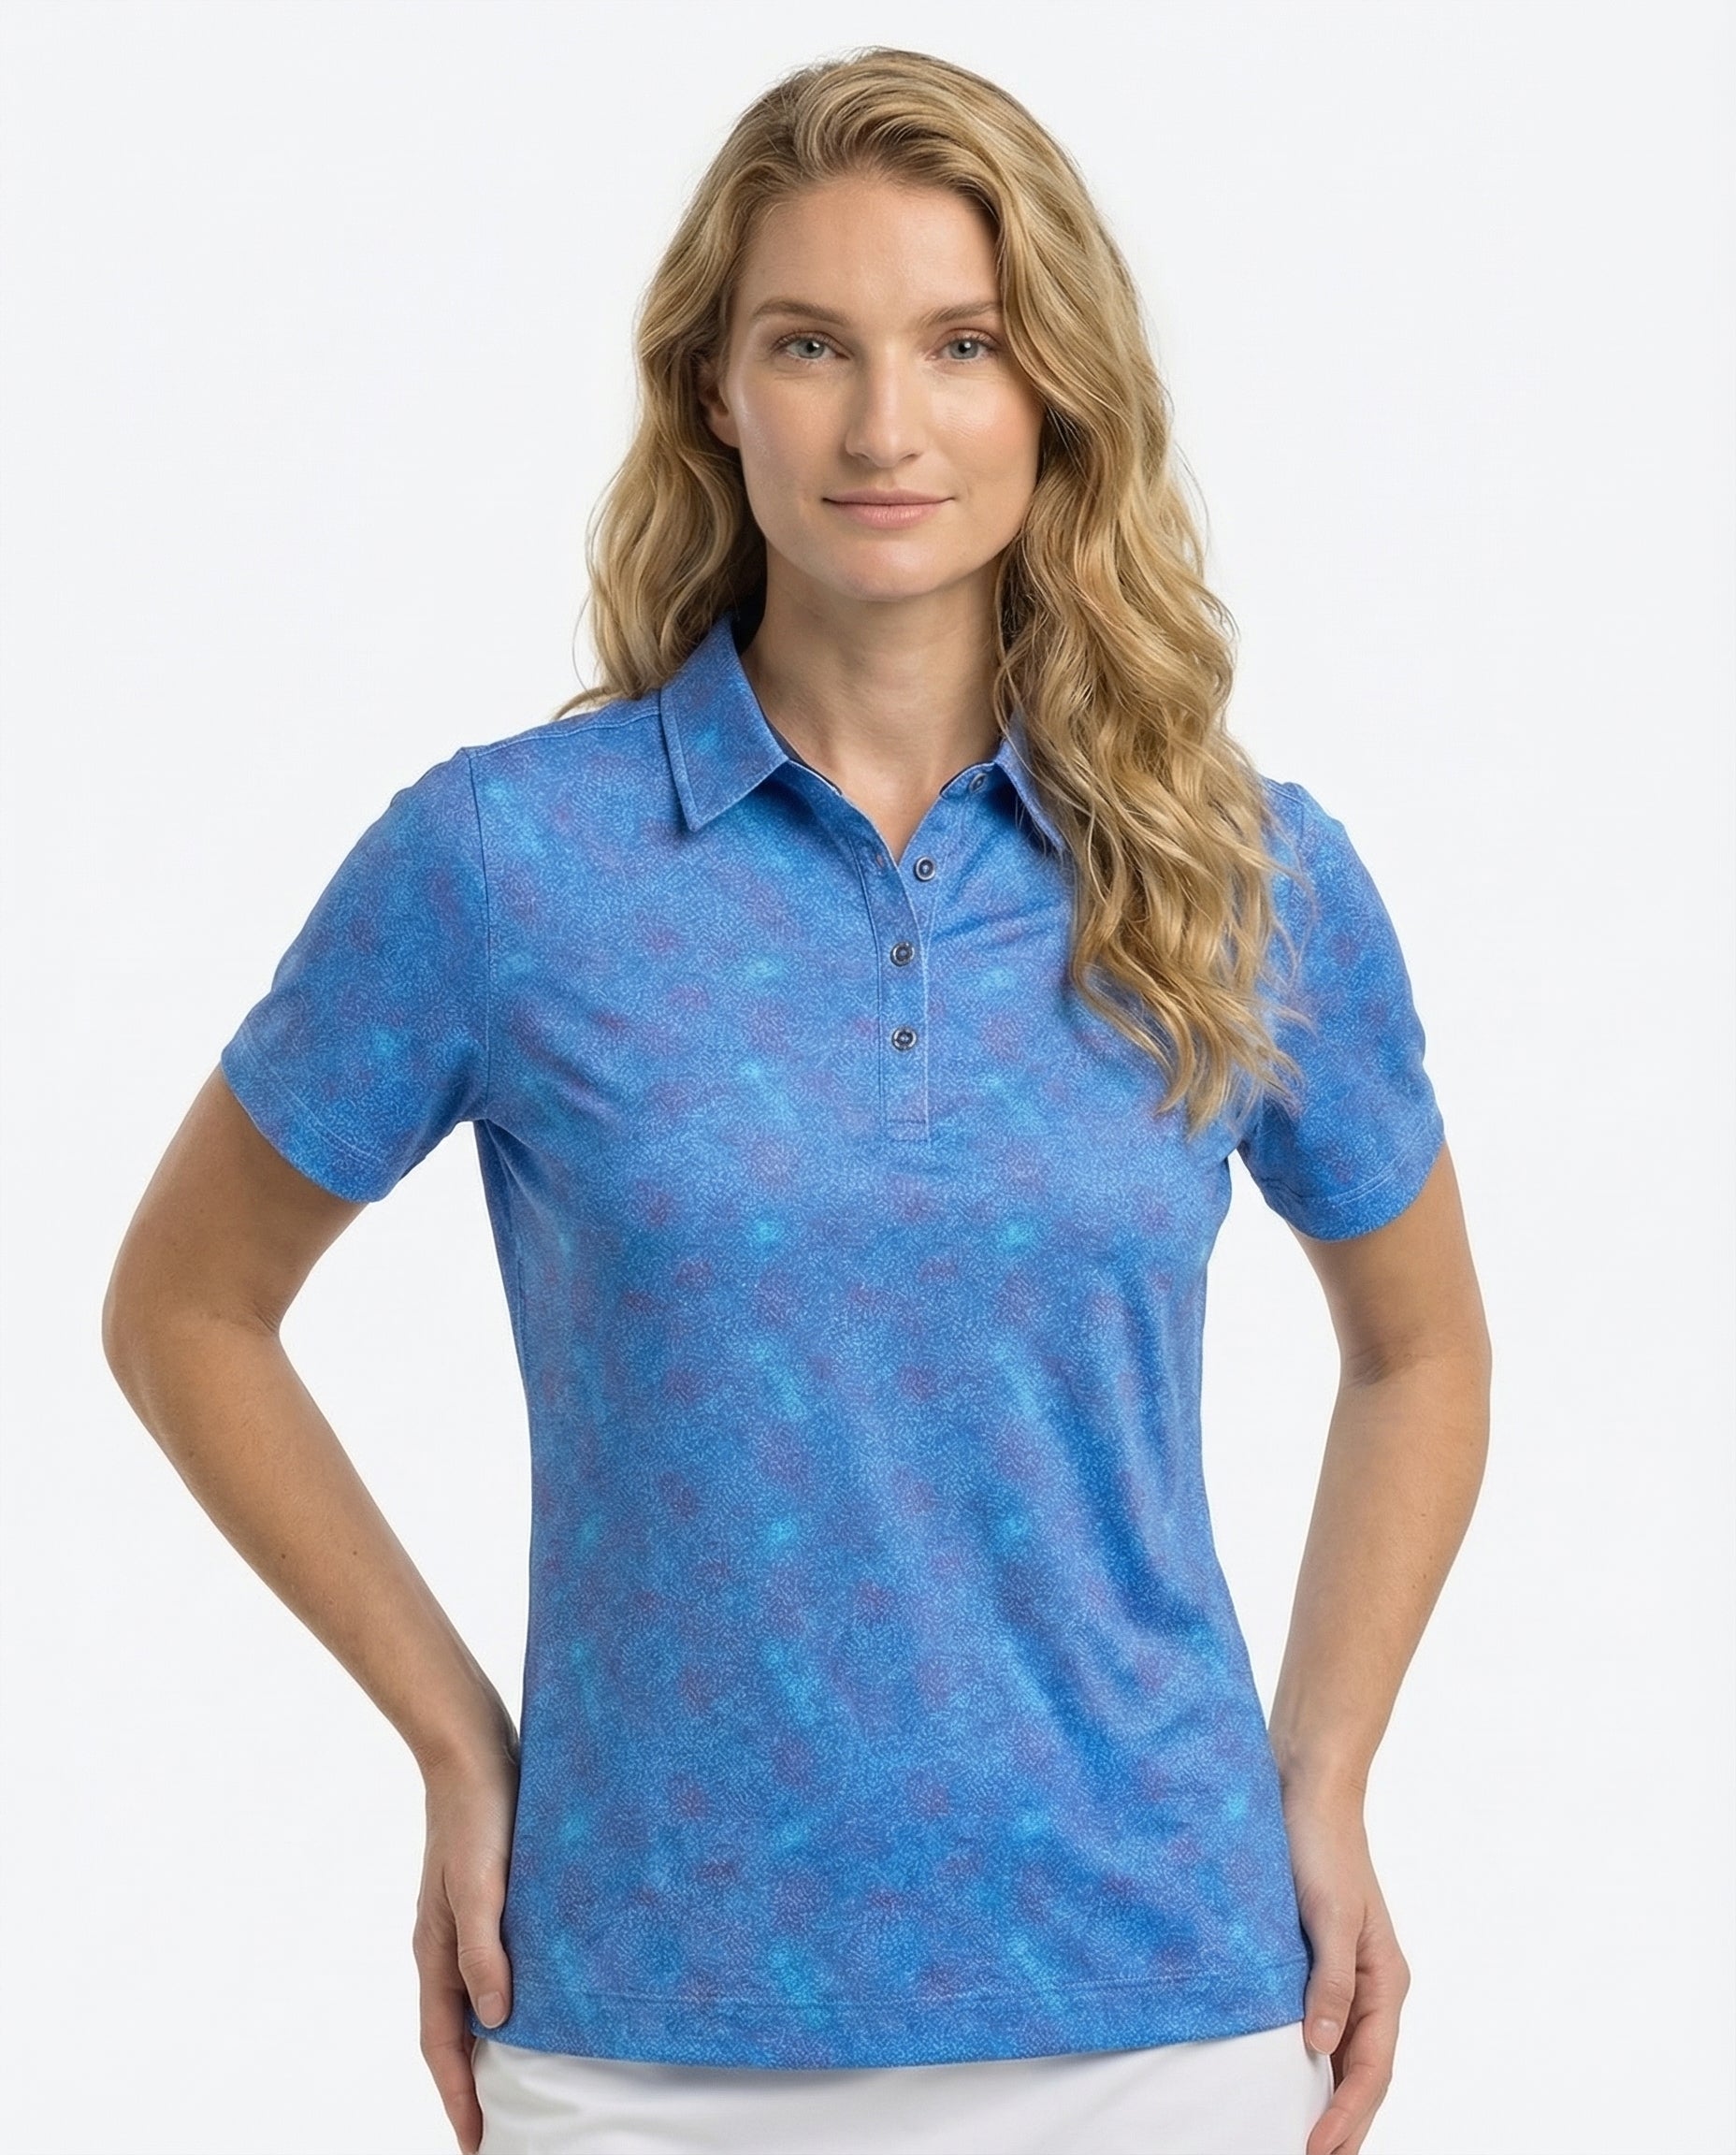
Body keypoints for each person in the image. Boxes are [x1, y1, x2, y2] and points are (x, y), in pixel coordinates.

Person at [100, 44, 1491, 2155]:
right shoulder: (506, 864)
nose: (882, 424)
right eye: (810, 344)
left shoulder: (1246, 870)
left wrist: (1327, 1764)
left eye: (962, 344)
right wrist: (462, 1745)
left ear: (1057, 394)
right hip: (642, 2022)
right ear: (714, 394)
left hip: (1160, 2008)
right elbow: (188, 1308)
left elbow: (1420, 1347)